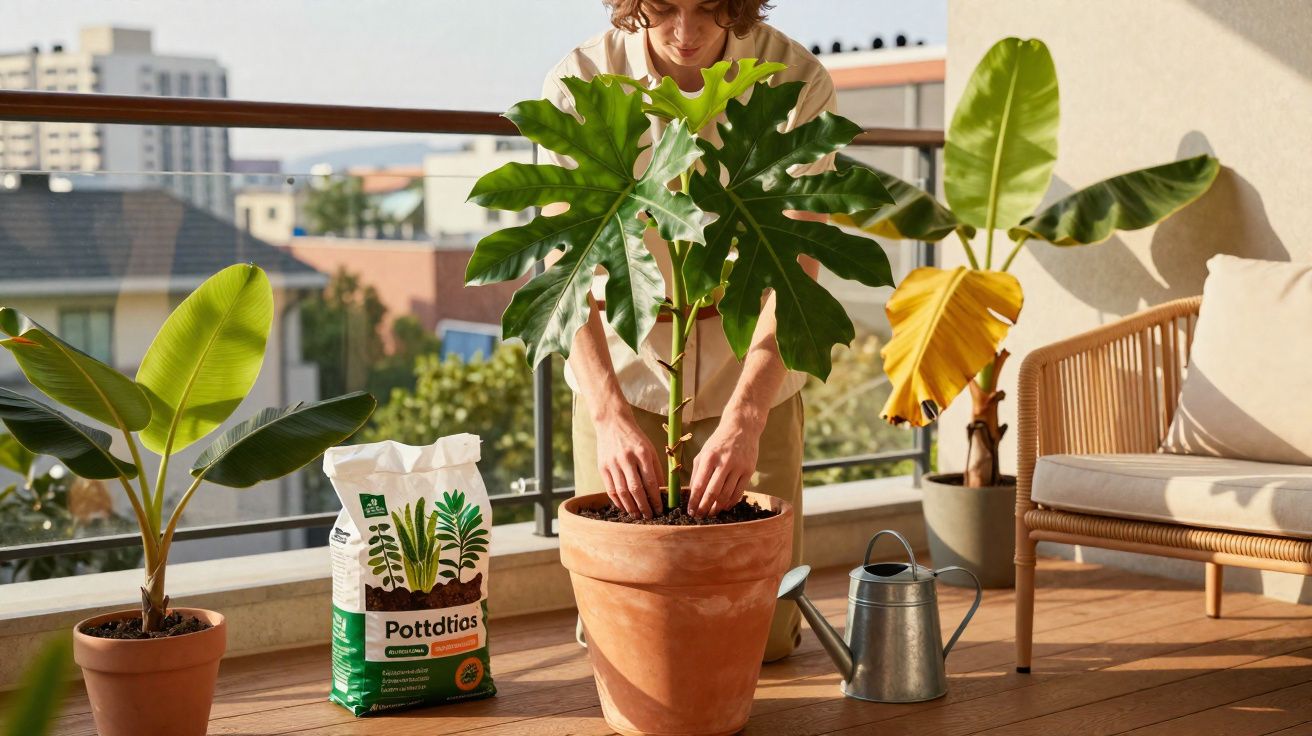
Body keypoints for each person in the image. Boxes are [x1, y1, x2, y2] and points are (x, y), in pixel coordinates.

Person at [542, 0, 838, 663]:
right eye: (664, 9)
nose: (684, 33)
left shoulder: (793, 79)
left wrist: (747, 419)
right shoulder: (582, 82)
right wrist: (609, 414)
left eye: (708, 10)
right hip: (630, 368)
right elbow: (565, 265)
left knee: (763, 636)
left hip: (749, 371)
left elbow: (796, 266)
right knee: (623, 628)